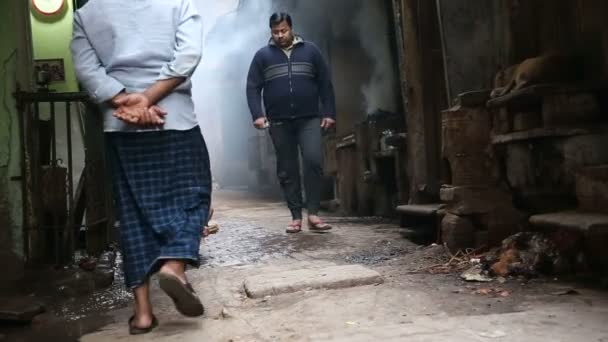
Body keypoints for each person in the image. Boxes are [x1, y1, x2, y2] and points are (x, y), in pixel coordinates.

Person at [71, 0, 210, 335]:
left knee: (132, 214)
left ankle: (143, 313)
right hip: (175, 118)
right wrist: (148, 98)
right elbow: (188, 55)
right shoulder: (177, 3)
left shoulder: (86, 14)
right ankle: (175, 266)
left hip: (120, 127)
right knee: (195, 195)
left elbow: (86, 69)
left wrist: (124, 99)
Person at [246, 12, 336, 234]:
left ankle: (313, 213)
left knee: (314, 161)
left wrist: (329, 113)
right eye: (275, 32)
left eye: (283, 31)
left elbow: (325, 84)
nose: (279, 35)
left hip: (309, 118)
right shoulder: (262, 56)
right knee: (287, 169)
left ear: (291, 28)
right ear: (271, 32)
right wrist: (257, 114)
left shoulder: (311, 51)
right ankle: (295, 216)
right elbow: (252, 87)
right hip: (278, 121)